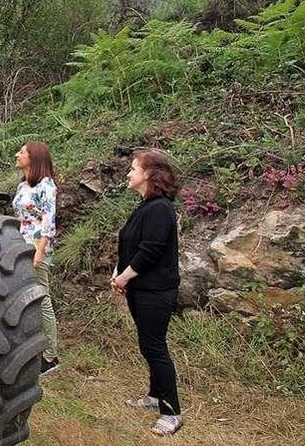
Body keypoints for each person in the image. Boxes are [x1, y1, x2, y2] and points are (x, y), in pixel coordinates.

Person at [111, 148, 183, 436]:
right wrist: (119, 273)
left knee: (154, 347)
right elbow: (131, 244)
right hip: (141, 289)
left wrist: (124, 277)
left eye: (133, 169)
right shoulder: (145, 206)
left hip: (156, 291)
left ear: (149, 175)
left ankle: (171, 411)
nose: (129, 173)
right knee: (147, 344)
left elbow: (149, 252)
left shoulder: (160, 208)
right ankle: (155, 396)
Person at [12, 142, 59, 375]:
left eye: (22, 152)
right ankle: (29, 346)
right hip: (22, 246)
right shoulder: (23, 185)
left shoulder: (46, 186)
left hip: (38, 249)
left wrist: (39, 252)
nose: (17, 155)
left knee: (42, 298)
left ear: (35, 158)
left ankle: (50, 355)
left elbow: (48, 224)